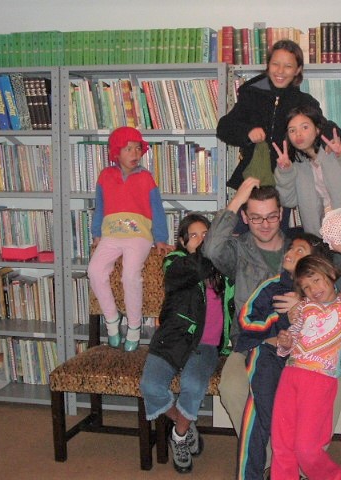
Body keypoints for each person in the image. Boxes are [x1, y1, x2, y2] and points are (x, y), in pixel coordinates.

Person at [273, 104, 341, 369]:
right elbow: (288, 200)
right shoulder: (300, 165)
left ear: (317, 127)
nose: (298, 134)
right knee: (323, 297)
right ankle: (325, 351)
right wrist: (285, 171)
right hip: (323, 244)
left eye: (304, 127)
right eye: (292, 130)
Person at [216, 39, 341, 231]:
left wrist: (336, 140)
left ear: (298, 70)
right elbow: (224, 127)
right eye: (275, 64)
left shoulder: (303, 101)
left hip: (284, 183)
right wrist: (248, 132)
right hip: (251, 182)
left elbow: (321, 126)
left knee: (275, 237)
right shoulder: (250, 94)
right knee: (239, 236)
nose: (280, 71)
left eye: (288, 66)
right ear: (268, 65)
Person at [139, 213, 234, 474]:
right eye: (194, 235)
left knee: (193, 384)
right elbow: (197, 268)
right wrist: (209, 247)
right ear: (182, 242)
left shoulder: (225, 268)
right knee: (150, 386)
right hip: (173, 339)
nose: (202, 240)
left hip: (207, 344)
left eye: (207, 235)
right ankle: (186, 423)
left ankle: (179, 436)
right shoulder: (175, 263)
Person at [271, 234, 341, 480]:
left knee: (306, 448)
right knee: (282, 446)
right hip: (290, 376)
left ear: (330, 274)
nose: (313, 290)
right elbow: (290, 342)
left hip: (320, 381)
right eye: (306, 287)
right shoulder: (304, 308)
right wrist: (285, 343)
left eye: (316, 280)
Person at [236, 232, 331, 480]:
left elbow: (333, 322)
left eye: (300, 251)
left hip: (302, 363)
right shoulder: (272, 286)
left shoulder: (317, 293)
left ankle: (286, 471)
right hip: (267, 354)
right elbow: (246, 319)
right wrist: (275, 322)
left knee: (287, 419)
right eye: (291, 248)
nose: (290, 253)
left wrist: (302, 305)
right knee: (263, 413)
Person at [202, 178, 288, 444]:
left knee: (332, 386)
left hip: (295, 342)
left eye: (271, 216)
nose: (265, 224)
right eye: (256, 218)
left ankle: (295, 456)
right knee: (231, 387)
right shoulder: (238, 251)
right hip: (249, 342)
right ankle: (266, 456)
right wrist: (237, 200)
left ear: (281, 213)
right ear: (245, 217)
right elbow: (210, 249)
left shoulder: (298, 249)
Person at [88, 126, 171, 352]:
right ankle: (112, 320)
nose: (135, 153)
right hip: (111, 235)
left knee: (130, 275)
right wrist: (97, 233)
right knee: (94, 271)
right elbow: (100, 206)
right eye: (128, 149)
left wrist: (160, 238)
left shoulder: (146, 178)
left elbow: (157, 209)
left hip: (138, 236)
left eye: (138, 148)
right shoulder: (105, 176)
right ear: (116, 152)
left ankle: (134, 326)